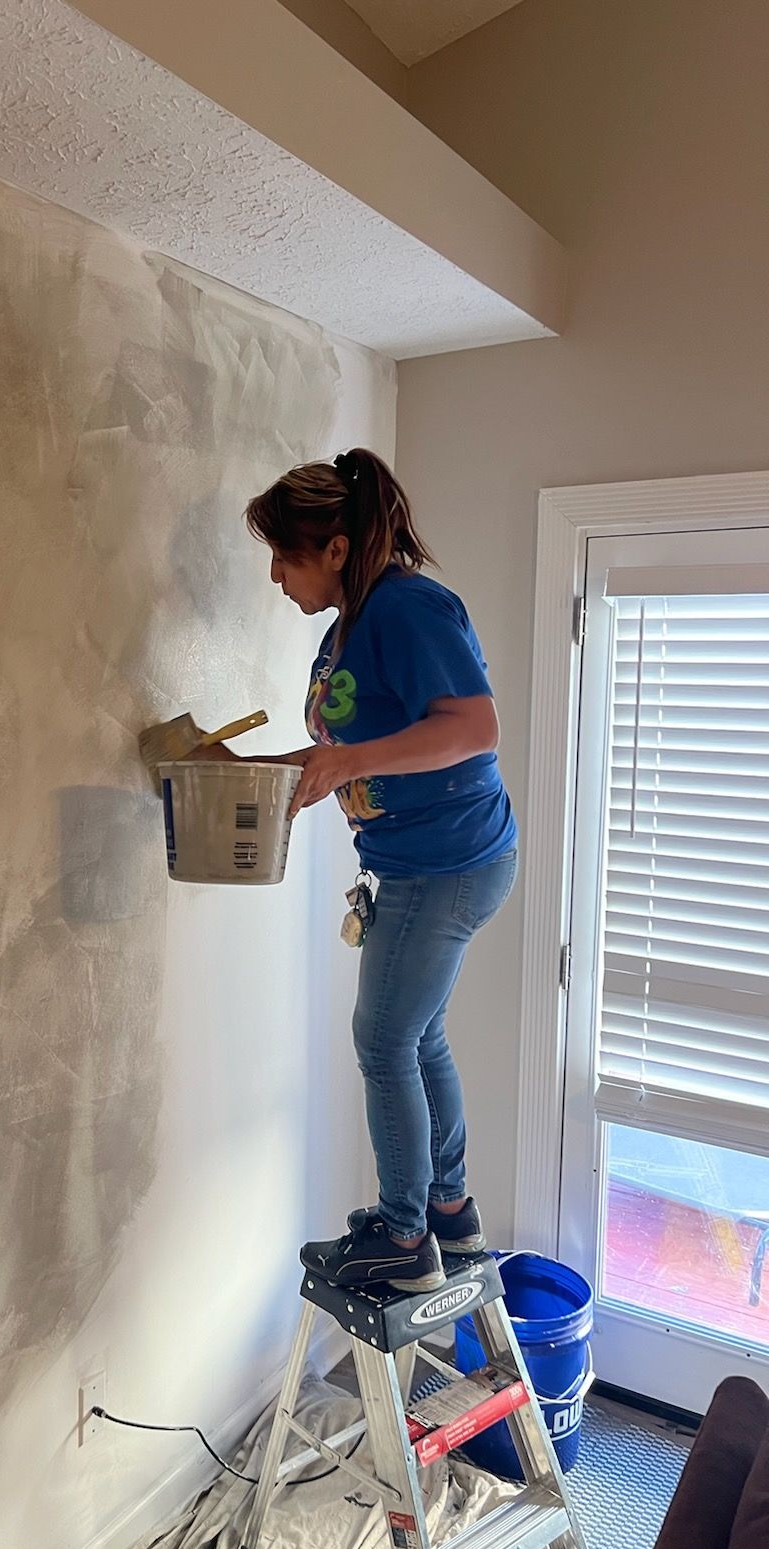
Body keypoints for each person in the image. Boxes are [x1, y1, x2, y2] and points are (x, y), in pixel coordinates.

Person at [237, 448, 517, 1291]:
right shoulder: (350, 628)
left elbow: (473, 727)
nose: (277, 577)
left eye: (284, 557)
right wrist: (303, 765)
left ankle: (403, 1241)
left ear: (332, 547)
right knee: (416, 1032)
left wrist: (350, 757)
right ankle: (447, 1210)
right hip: (414, 866)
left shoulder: (410, 608)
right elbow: (360, 748)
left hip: (452, 864)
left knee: (382, 1037)